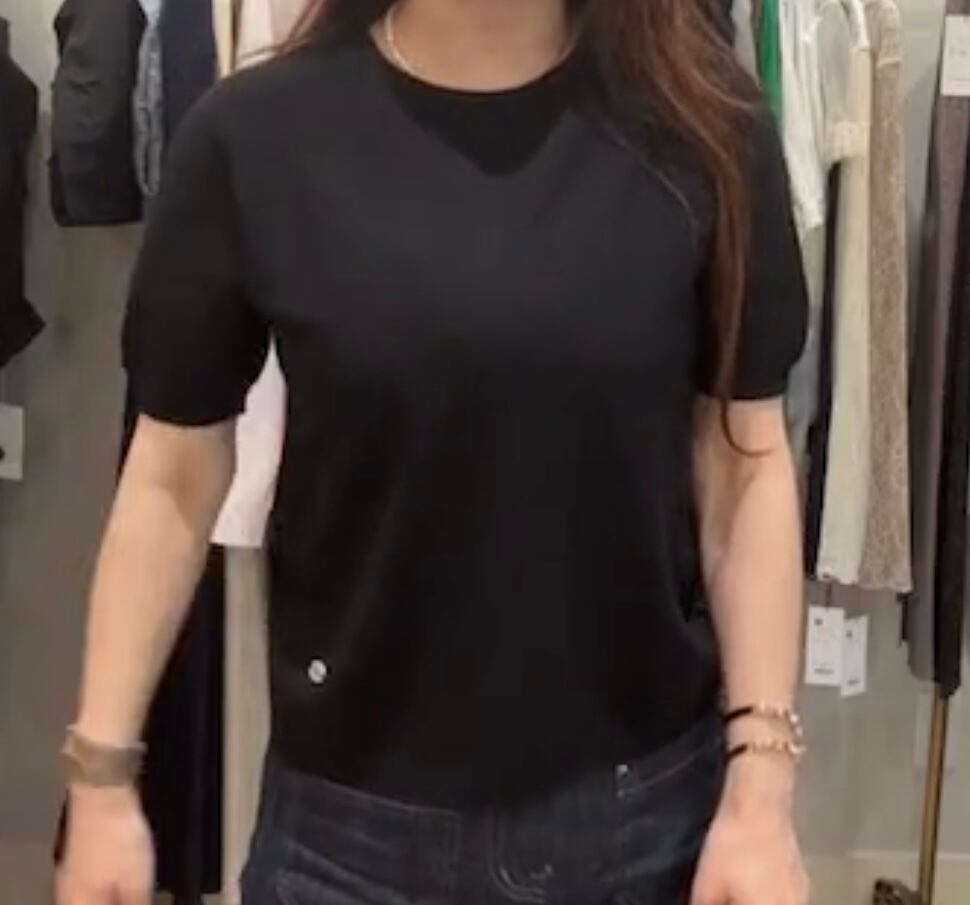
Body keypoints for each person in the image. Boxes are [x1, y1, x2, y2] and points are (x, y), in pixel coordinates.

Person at [56, 1, 810, 903]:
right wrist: (100, 775)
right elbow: (171, 479)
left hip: (642, 830)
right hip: (345, 840)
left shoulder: (705, 129)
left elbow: (743, 463)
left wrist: (762, 787)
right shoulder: (256, 137)